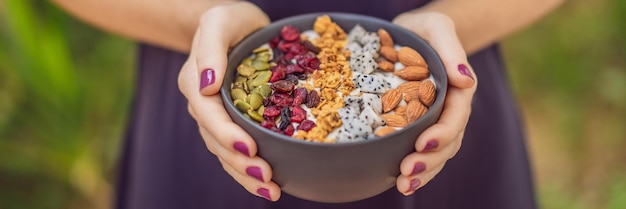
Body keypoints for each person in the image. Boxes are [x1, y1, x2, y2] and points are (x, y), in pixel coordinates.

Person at [52, 0, 564, 208]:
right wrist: (197, 23)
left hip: (439, 103)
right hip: (210, 110)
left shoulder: (413, 78)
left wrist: (446, 25)